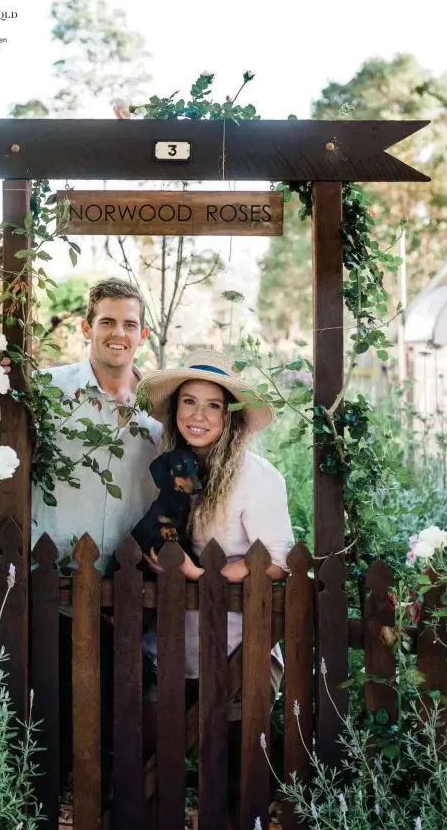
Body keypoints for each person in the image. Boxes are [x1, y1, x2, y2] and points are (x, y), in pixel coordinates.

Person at [0, 277, 162, 792]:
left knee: (112, 731)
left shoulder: (158, 413)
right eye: (107, 321)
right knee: (44, 732)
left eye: (129, 324)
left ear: (142, 334)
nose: (118, 333)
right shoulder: (45, 391)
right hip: (50, 589)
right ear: (87, 327)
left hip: (123, 596)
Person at [138, 349, 294, 825]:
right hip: (171, 642)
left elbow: (277, 559)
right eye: (189, 402)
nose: (198, 415)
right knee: (157, 766)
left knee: (228, 775)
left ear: (230, 417)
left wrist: (201, 577)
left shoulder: (256, 476)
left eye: (212, 405)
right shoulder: (172, 467)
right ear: (175, 410)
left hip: (236, 647)